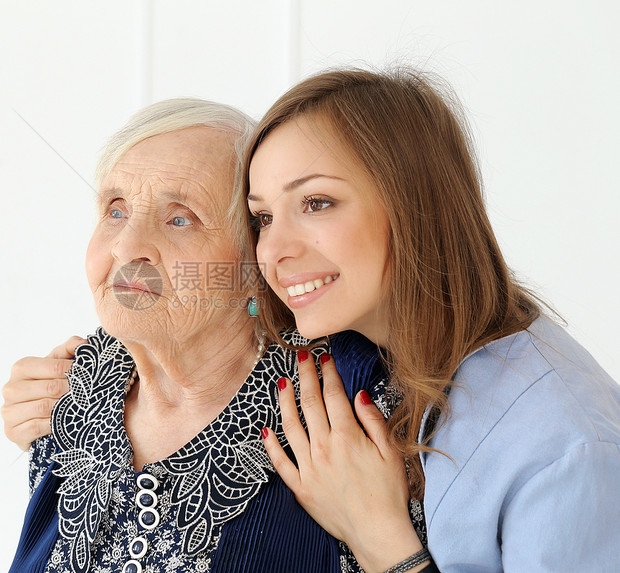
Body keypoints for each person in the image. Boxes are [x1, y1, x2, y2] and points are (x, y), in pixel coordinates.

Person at [5, 98, 429, 573]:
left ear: (255, 263)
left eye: (180, 218)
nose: (126, 247)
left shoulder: (352, 397)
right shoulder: (77, 385)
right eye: (116, 210)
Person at [246, 68, 620, 571]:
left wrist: (378, 537)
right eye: (263, 218)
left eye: (317, 203)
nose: (273, 251)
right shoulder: (382, 362)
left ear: (414, 205)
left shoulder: (564, 445)